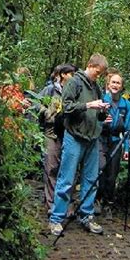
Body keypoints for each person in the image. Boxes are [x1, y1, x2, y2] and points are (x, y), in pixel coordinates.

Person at [48, 53, 110, 236]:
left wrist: (102, 111)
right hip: (74, 137)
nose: (98, 76)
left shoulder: (96, 86)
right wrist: (89, 105)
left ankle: (86, 216)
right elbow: (66, 108)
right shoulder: (74, 82)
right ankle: (56, 219)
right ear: (90, 66)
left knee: (90, 180)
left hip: (92, 138)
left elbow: (97, 113)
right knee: (66, 178)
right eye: (97, 72)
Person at [38, 63, 78, 215]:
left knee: (69, 170)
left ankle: (66, 205)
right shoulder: (50, 90)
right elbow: (37, 103)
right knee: (51, 168)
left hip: (69, 133)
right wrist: (47, 112)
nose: (73, 77)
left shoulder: (75, 90)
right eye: (71, 74)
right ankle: (51, 205)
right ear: (63, 75)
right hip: (51, 133)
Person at [97, 69, 130, 218]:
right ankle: (96, 200)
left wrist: (126, 148)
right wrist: (102, 122)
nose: (115, 85)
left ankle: (108, 204)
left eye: (118, 83)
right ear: (108, 83)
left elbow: (128, 129)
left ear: (122, 86)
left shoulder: (127, 105)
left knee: (112, 175)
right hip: (100, 140)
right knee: (99, 169)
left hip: (116, 142)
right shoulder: (102, 100)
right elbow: (94, 120)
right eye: (113, 82)